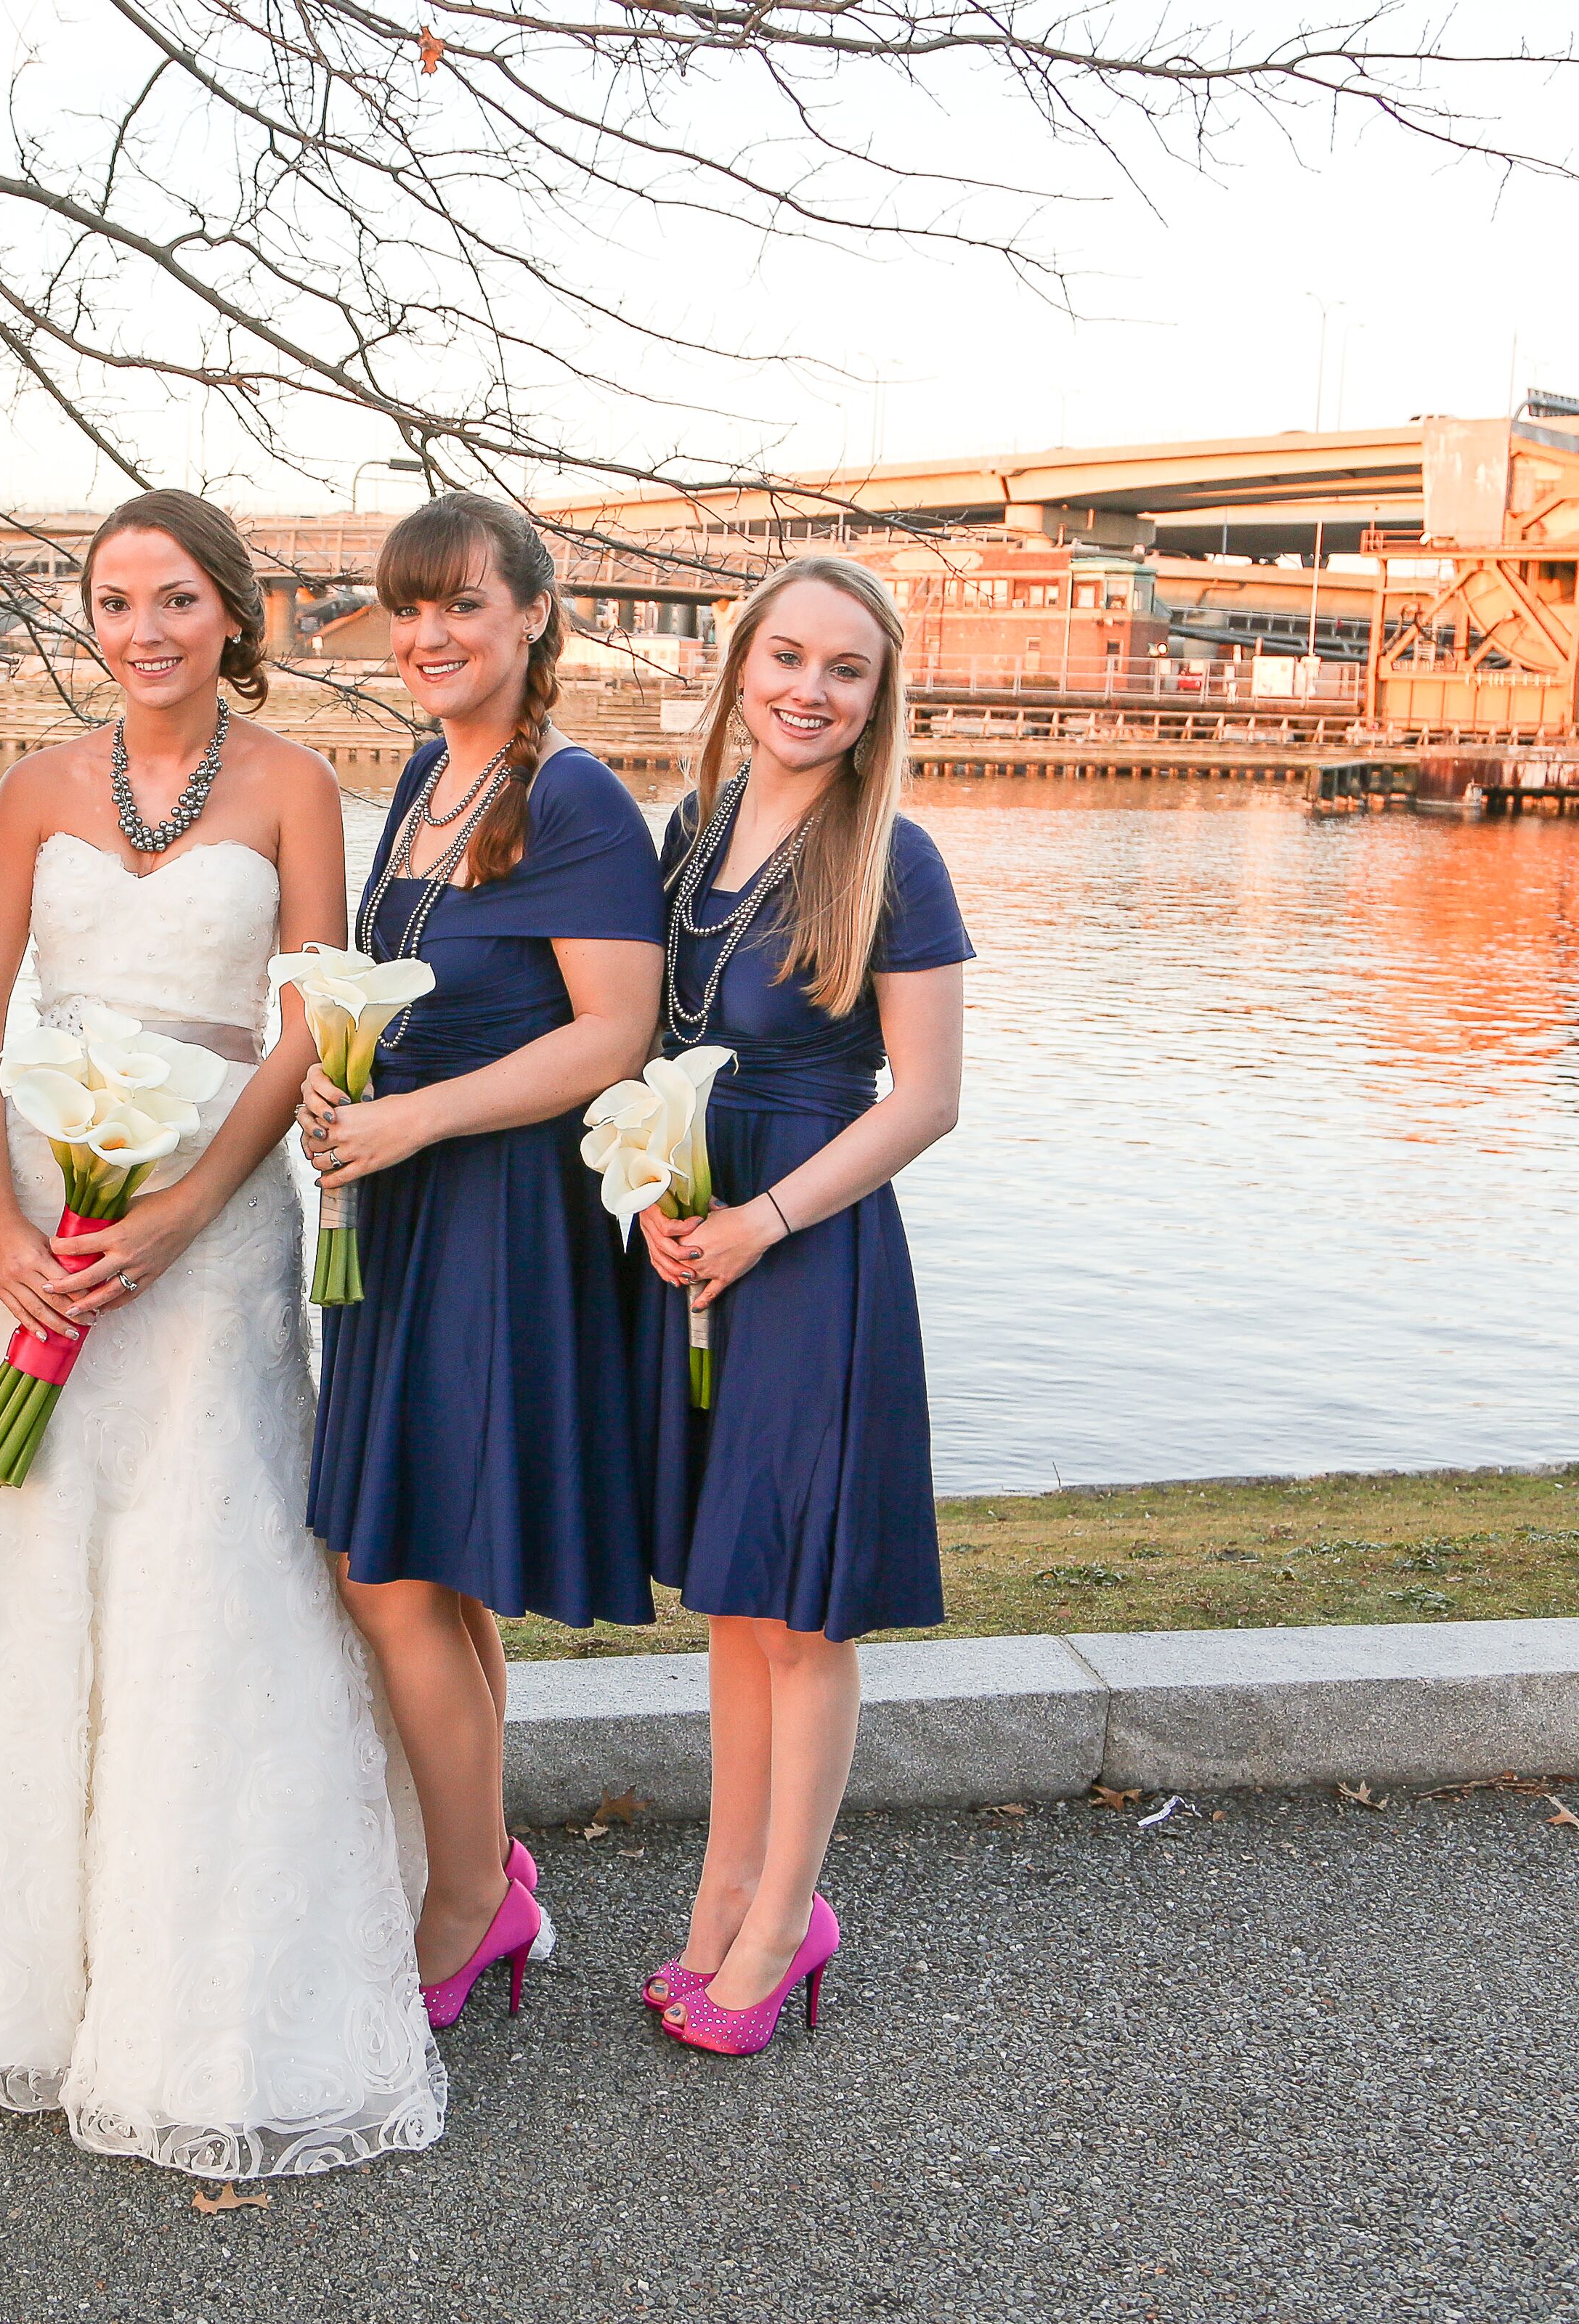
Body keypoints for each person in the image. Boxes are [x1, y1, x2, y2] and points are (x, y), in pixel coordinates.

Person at [0, 489, 446, 2178]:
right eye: (114, 600)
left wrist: (190, 1206)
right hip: (38, 1201)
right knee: (10, 1532)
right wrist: (8, 1222)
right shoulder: (28, 790)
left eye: (176, 599)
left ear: (231, 614)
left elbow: (309, 1019)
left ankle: (193, 1968)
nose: (144, 627)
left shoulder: (299, 786)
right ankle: (8, 1959)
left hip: (217, 1223)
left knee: (200, 1551)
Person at [293, 491, 665, 2029]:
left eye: (461, 605)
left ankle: (463, 1903)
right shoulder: (422, 782)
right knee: (430, 1576)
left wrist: (418, 1116)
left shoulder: (570, 796)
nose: (431, 635)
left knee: (384, 1569)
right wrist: (344, 1084)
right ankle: (490, 1870)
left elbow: (613, 1031)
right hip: (409, 1202)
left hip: (505, 1217)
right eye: (411, 608)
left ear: (530, 617)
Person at [633, 553, 971, 2058]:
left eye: (845, 668)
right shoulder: (688, 833)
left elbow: (932, 1100)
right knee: (733, 1588)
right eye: (787, 656)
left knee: (801, 1612)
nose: (810, 690)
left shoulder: (895, 859)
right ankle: (719, 1898)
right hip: (697, 1231)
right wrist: (652, 1187)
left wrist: (767, 1219)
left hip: (812, 1240)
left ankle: (784, 1920)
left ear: (878, 692)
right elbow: (648, 1039)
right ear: (738, 665)